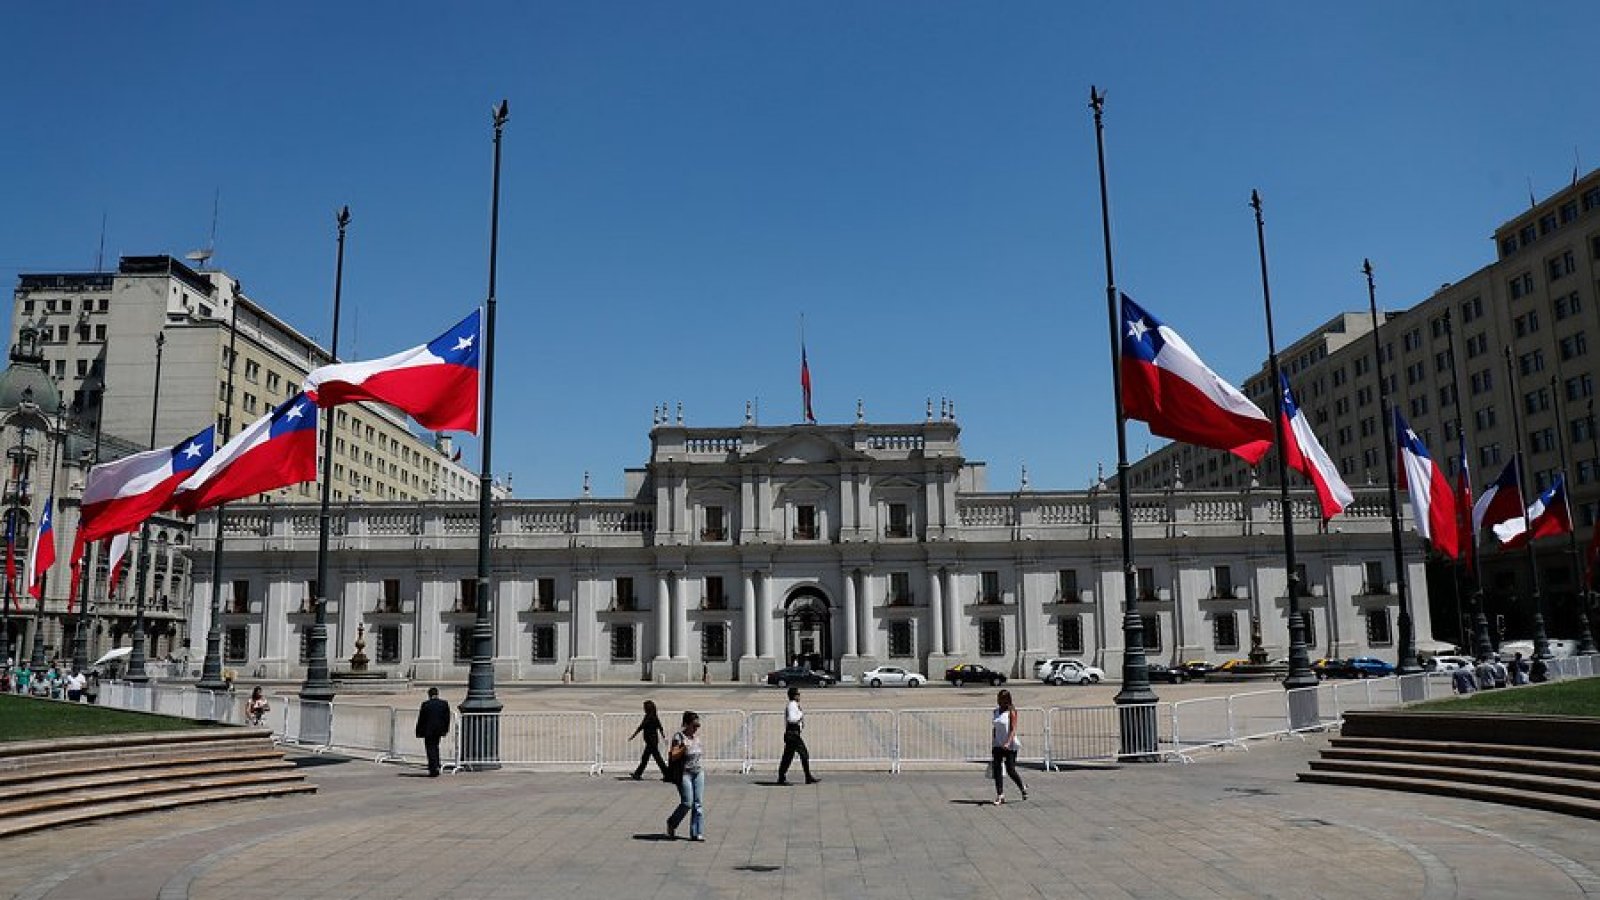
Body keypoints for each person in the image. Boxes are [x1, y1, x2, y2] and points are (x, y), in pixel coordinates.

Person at [666, 711, 705, 841]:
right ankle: (672, 822)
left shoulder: (696, 737)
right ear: (686, 724)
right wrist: (683, 747)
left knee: (698, 803)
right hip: (684, 774)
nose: (696, 728)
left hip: (698, 772)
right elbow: (673, 755)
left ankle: (696, 832)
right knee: (687, 803)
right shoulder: (679, 737)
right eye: (694, 725)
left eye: (698, 726)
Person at [991, 689, 1027, 804]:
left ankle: (1022, 787)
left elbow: (1013, 729)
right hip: (997, 744)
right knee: (997, 769)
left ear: (1007, 700)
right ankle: (1000, 794)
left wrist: (1007, 742)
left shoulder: (1011, 712)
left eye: (1002, 699)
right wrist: (994, 740)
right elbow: (995, 727)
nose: (999, 702)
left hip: (1009, 745)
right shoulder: (996, 711)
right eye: (998, 699)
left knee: (1010, 769)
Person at [776, 686, 819, 785]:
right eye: (798, 694)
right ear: (794, 696)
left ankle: (782, 777)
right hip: (793, 734)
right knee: (803, 754)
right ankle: (807, 777)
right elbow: (792, 719)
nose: (800, 696)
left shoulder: (793, 705)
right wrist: (800, 715)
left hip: (792, 734)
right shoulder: (792, 705)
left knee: (788, 757)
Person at [415, 687, 451, 777]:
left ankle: (433, 767)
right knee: (436, 747)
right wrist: (445, 729)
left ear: (429, 695)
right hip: (439, 730)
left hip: (428, 730)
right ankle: (437, 764)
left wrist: (418, 731)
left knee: (430, 749)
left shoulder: (426, 704)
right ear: (437, 694)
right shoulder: (444, 704)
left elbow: (421, 719)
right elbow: (447, 718)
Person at [629, 699, 669, 781]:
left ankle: (668, 774)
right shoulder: (654, 716)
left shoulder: (649, 717)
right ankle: (638, 774)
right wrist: (663, 737)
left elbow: (641, 726)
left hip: (651, 741)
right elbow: (660, 727)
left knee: (656, 759)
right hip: (652, 741)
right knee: (647, 758)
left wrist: (633, 735)